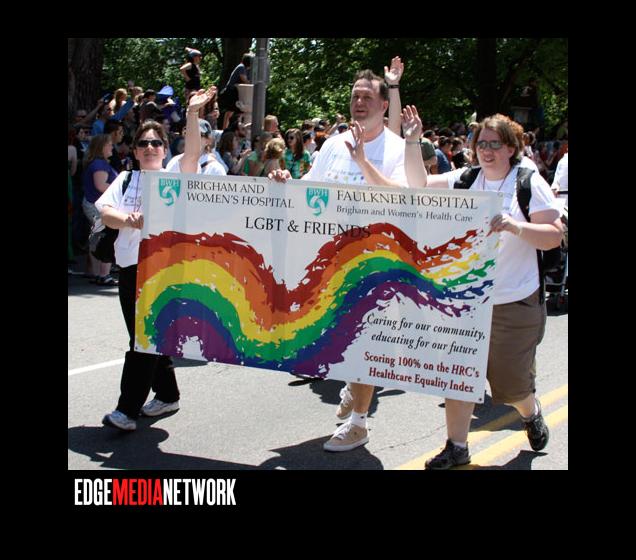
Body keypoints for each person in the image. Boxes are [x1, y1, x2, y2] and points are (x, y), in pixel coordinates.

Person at [270, 67, 409, 452]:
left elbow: (400, 197)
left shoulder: (397, 148)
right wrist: (288, 183)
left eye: (367, 97)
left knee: (363, 340)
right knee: (336, 336)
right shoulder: (333, 144)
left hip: (373, 262)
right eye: (355, 96)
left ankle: (359, 423)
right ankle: (352, 381)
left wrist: (363, 161)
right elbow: (312, 189)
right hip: (328, 257)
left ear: (384, 105)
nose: (359, 102)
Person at [416, 113, 563, 468]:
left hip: (514, 300)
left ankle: (530, 411)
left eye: (495, 143)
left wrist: (515, 226)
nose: (486, 150)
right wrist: (410, 141)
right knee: (458, 374)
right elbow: (415, 183)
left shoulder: (527, 182)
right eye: (481, 143)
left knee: (511, 387)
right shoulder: (466, 179)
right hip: (466, 300)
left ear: (511, 148)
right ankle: (457, 446)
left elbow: (554, 235)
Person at [97, 86, 216, 431]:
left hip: (164, 271)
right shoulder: (125, 179)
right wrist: (128, 219)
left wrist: (192, 112)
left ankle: (127, 410)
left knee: (143, 337)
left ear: (165, 149)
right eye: (143, 143)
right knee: (147, 335)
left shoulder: (175, 177)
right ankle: (167, 394)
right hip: (130, 267)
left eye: (156, 143)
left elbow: (191, 155)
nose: (150, 148)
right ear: (134, 150)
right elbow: (106, 213)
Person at [81, 134, 119, 285]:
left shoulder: (99, 163)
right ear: (102, 147)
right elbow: (101, 186)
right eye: (109, 144)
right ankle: (103, 274)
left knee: (97, 238)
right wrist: (121, 189)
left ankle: (96, 273)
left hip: (93, 205)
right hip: (97, 206)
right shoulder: (99, 164)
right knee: (107, 238)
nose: (112, 147)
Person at [219, 52, 254, 130]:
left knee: (238, 112)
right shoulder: (241, 67)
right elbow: (244, 80)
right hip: (231, 91)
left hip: (237, 91)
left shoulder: (247, 69)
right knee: (230, 111)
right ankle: (224, 129)